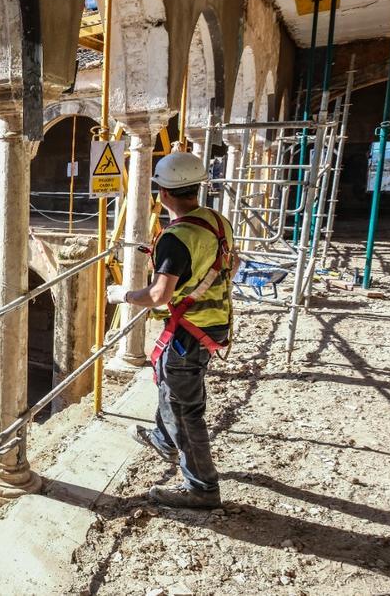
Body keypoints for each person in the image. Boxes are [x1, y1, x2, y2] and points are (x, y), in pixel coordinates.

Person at [106, 151, 237, 510]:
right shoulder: (216, 221)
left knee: (184, 407)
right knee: (171, 384)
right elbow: (232, 263)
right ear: (196, 188)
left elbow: (159, 295)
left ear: (163, 193)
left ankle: (201, 488)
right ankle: (165, 441)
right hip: (214, 322)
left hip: (189, 330)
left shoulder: (176, 237)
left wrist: (124, 295)